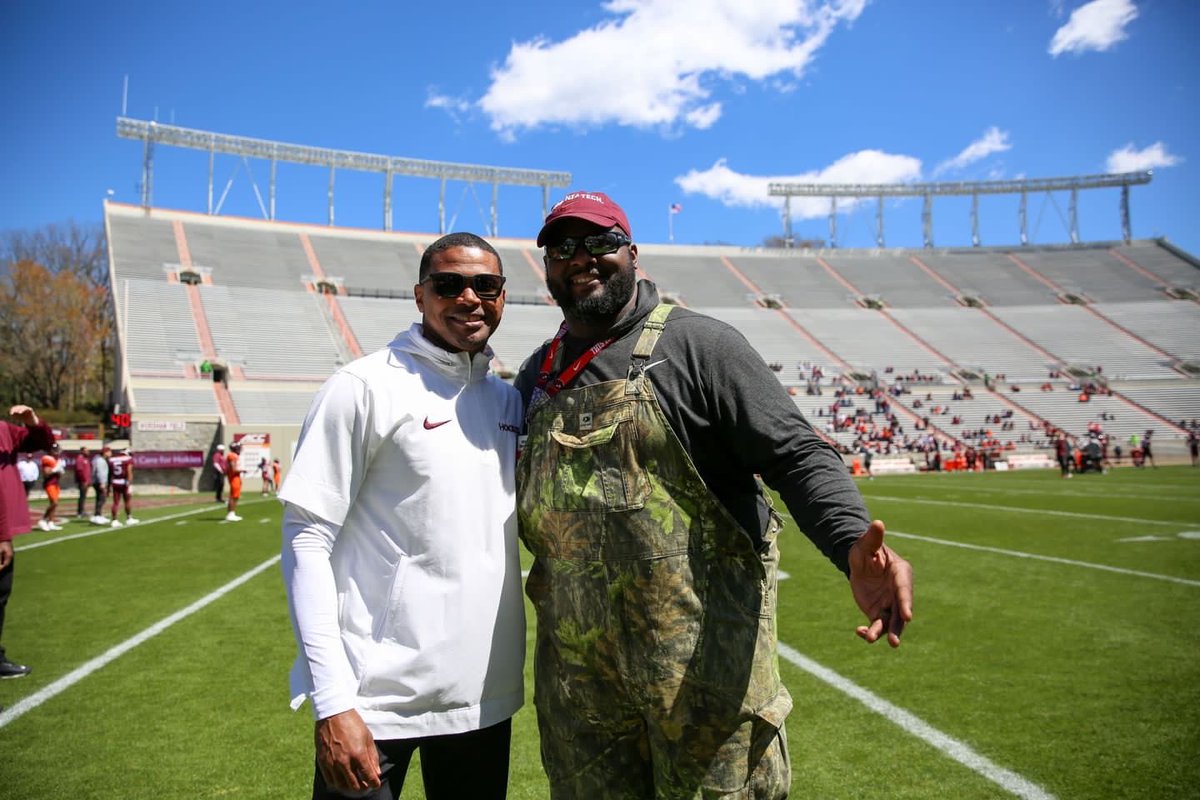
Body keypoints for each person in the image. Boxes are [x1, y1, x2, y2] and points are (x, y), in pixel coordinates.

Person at [514, 192, 913, 797]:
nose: (582, 258)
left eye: (600, 242)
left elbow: (796, 454)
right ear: (547, 266)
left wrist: (850, 541)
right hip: (581, 698)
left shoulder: (700, 347)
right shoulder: (535, 375)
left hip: (705, 689)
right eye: (563, 248)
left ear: (633, 253)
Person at [279, 232, 524, 799]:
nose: (469, 298)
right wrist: (333, 700)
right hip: (373, 705)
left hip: (483, 702)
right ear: (420, 295)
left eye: (486, 285)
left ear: (503, 297)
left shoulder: (507, 402)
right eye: (449, 284)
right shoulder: (363, 387)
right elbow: (306, 541)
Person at [0, 405, 55, 678]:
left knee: (1, 594)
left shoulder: (4, 429)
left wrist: (33, 421)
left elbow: (44, 443)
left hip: (4, 528)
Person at [108, 446, 139, 527]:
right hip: (124, 482)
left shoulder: (112, 459)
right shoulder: (128, 459)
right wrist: (129, 483)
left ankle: (114, 520)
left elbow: (110, 473)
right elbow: (129, 472)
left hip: (115, 482)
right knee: (127, 501)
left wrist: (109, 485)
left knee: (115, 502)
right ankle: (129, 518)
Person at [39, 443, 65, 531]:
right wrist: (54, 470)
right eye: (54, 449)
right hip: (49, 483)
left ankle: (50, 522)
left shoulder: (56, 459)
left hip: (55, 483)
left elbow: (60, 474)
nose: (56, 451)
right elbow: (46, 473)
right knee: (54, 503)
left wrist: (60, 471)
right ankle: (43, 520)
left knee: (54, 504)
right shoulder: (47, 458)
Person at [90, 446, 110, 524]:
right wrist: (102, 483)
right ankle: (97, 515)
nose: (110, 453)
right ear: (105, 452)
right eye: (109, 452)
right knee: (102, 499)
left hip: (97, 481)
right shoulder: (100, 460)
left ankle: (98, 515)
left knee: (100, 499)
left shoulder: (98, 459)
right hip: (99, 482)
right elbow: (100, 472)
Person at [224, 442, 243, 522]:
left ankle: (231, 513)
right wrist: (243, 470)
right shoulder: (232, 455)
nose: (240, 449)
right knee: (234, 496)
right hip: (234, 478)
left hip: (236, 478)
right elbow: (234, 469)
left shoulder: (234, 455)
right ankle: (231, 514)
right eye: (239, 447)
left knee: (235, 496)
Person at [74, 446, 93, 518]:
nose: (88, 452)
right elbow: (79, 471)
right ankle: (80, 512)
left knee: (84, 496)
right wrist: (83, 480)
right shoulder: (80, 459)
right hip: (83, 481)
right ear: (82, 451)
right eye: (86, 451)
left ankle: (82, 510)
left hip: (87, 481)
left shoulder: (86, 459)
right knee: (82, 496)